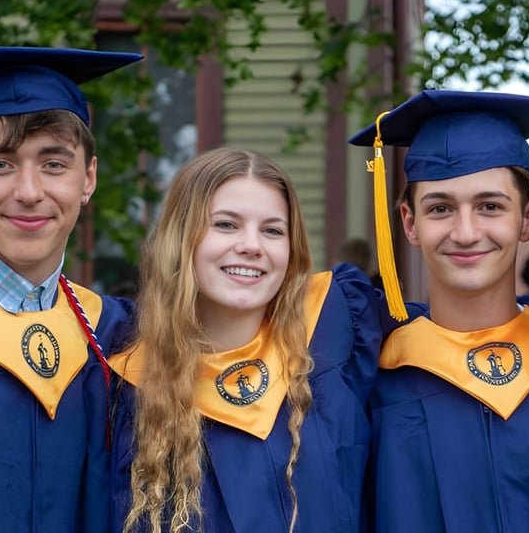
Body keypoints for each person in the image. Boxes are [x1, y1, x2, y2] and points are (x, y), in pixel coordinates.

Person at [348, 90, 529, 531]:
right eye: (440, 209)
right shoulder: (372, 374)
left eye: (490, 206)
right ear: (409, 223)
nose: (466, 232)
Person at [108, 147, 407, 532]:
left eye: (272, 230)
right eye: (226, 225)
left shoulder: (337, 328)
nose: (252, 245)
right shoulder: (127, 381)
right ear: (181, 239)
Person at [0, 46, 142, 532]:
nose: (29, 191)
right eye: (0, 165)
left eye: (54, 164)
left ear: (88, 178)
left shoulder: (118, 336)